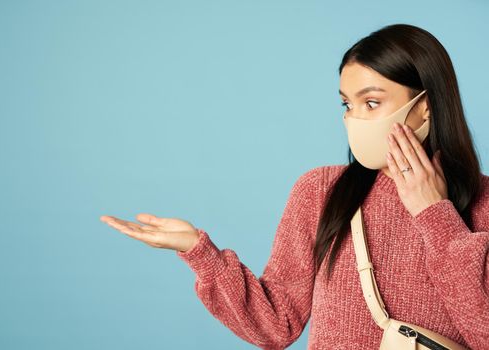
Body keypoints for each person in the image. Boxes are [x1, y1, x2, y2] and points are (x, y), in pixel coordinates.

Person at [100, 23, 489, 349]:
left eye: (371, 103)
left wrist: (435, 216)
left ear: (425, 105)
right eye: (347, 105)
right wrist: (199, 252)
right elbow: (277, 323)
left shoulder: (483, 202)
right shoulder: (321, 191)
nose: (354, 119)